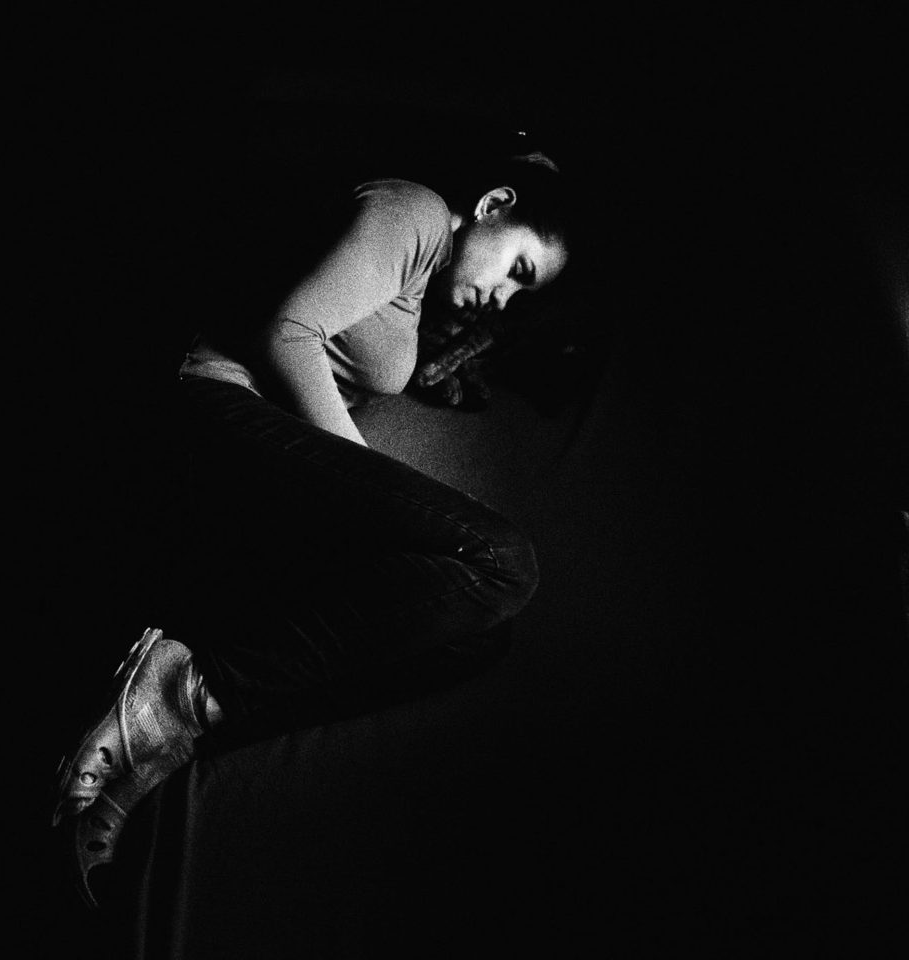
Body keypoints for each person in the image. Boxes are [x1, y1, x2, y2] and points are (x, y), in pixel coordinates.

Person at [53, 150, 573, 907]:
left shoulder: (421, 285)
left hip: (257, 483)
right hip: (210, 409)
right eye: (517, 271)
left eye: (520, 296)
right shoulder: (417, 210)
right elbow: (291, 332)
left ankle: (175, 727)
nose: (502, 298)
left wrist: (441, 362)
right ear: (495, 203)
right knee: (503, 563)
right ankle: (169, 697)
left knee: (478, 636)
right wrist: (371, 493)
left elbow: (358, 334)